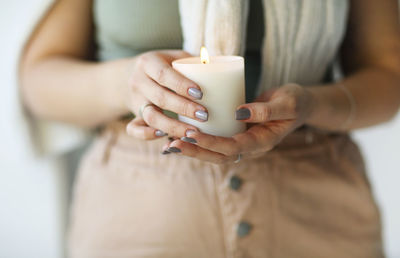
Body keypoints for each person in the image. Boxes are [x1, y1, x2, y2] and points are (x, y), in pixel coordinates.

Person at [20, 0, 400, 257]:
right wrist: (124, 83)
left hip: (318, 208)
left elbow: (388, 73)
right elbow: (37, 80)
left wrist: (313, 104)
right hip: (139, 209)